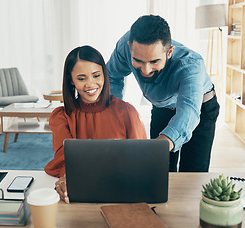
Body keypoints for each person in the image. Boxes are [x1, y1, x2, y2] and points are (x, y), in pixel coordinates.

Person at [107, 15, 220, 172]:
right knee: (160, 170)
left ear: (169, 52)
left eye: (154, 61)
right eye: (138, 60)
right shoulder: (125, 46)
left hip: (199, 108)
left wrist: (158, 147)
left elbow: (188, 112)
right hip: (161, 106)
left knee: (192, 175)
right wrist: (115, 115)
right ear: (129, 47)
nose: (145, 70)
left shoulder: (191, 64)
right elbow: (112, 76)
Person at [44, 45, 147, 203]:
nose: (90, 84)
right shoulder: (62, 117)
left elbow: (141, 159)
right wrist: (66, 180)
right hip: (82, 191)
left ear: (104, 75)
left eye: (96, 75)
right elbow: (64, 158)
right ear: (71, 80)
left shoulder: (126, 111)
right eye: (81, 78)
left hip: (122, 192)